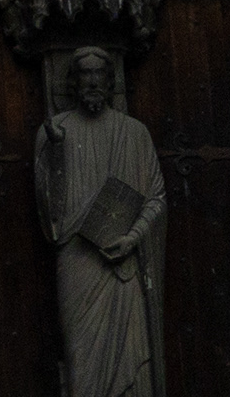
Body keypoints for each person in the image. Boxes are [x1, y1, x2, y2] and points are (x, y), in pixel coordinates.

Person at [33, 47, 164, 397]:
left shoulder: (134, 133)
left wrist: (133, 238)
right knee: (81, 360)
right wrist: (57, 154)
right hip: (77, 261)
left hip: (120, 263)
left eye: (99, 74)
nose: (92, 81)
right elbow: (51, 214)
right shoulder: (54, 131)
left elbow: (156, 198)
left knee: (129, 361)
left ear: (110, 81)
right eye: (84, 74)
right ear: (72, 83)